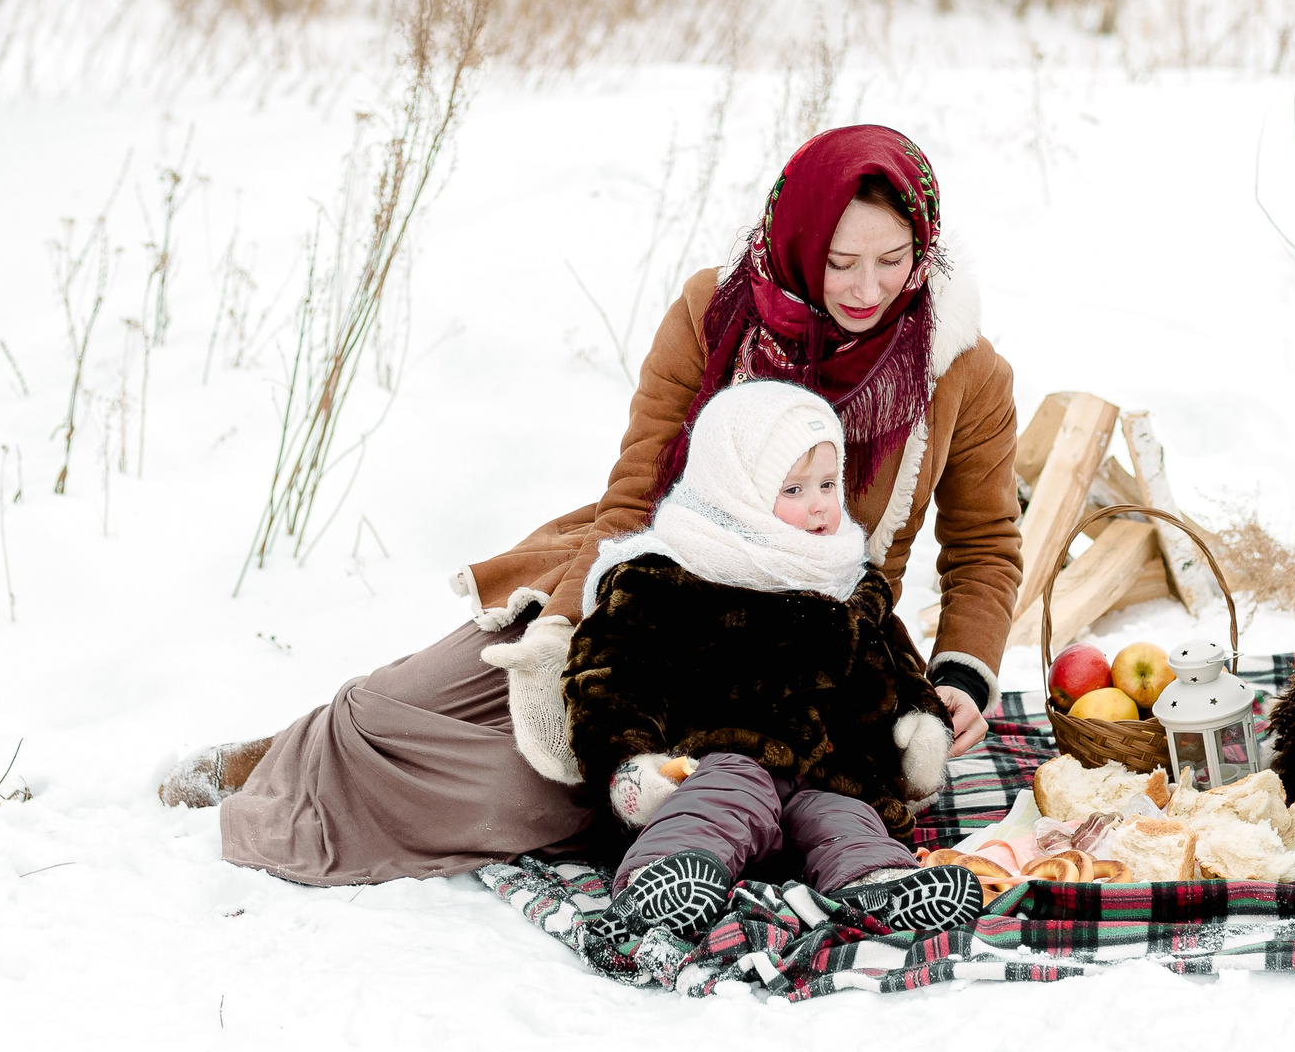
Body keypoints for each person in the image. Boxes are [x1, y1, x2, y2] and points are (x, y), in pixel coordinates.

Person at [169, 126, 1024, 888]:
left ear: (926, 244)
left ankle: (327, 781)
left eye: (893, 257)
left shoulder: (963, 373)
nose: (867, 288)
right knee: (419, 690)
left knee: (520, 792)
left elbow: (984, 546)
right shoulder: (712, 313)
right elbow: (635, 492)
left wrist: (956, 678)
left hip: (787, 653)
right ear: (799, 238)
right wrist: (556, 637)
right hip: (643, 585)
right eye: (840, 261)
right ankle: (288, 751)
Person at [565, 381, 983, 941]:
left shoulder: (850, 581)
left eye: (829, 484)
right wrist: (630, 759)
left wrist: (919, 725)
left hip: (831, 773)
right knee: (720, 799)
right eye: (794, 489)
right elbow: (612, 678)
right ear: (735, 491)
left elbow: (897, 666)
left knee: (849, 817)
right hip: (721, 758)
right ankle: (664, 879)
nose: (820, 505)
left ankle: (878, 885)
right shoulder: (672, 578)